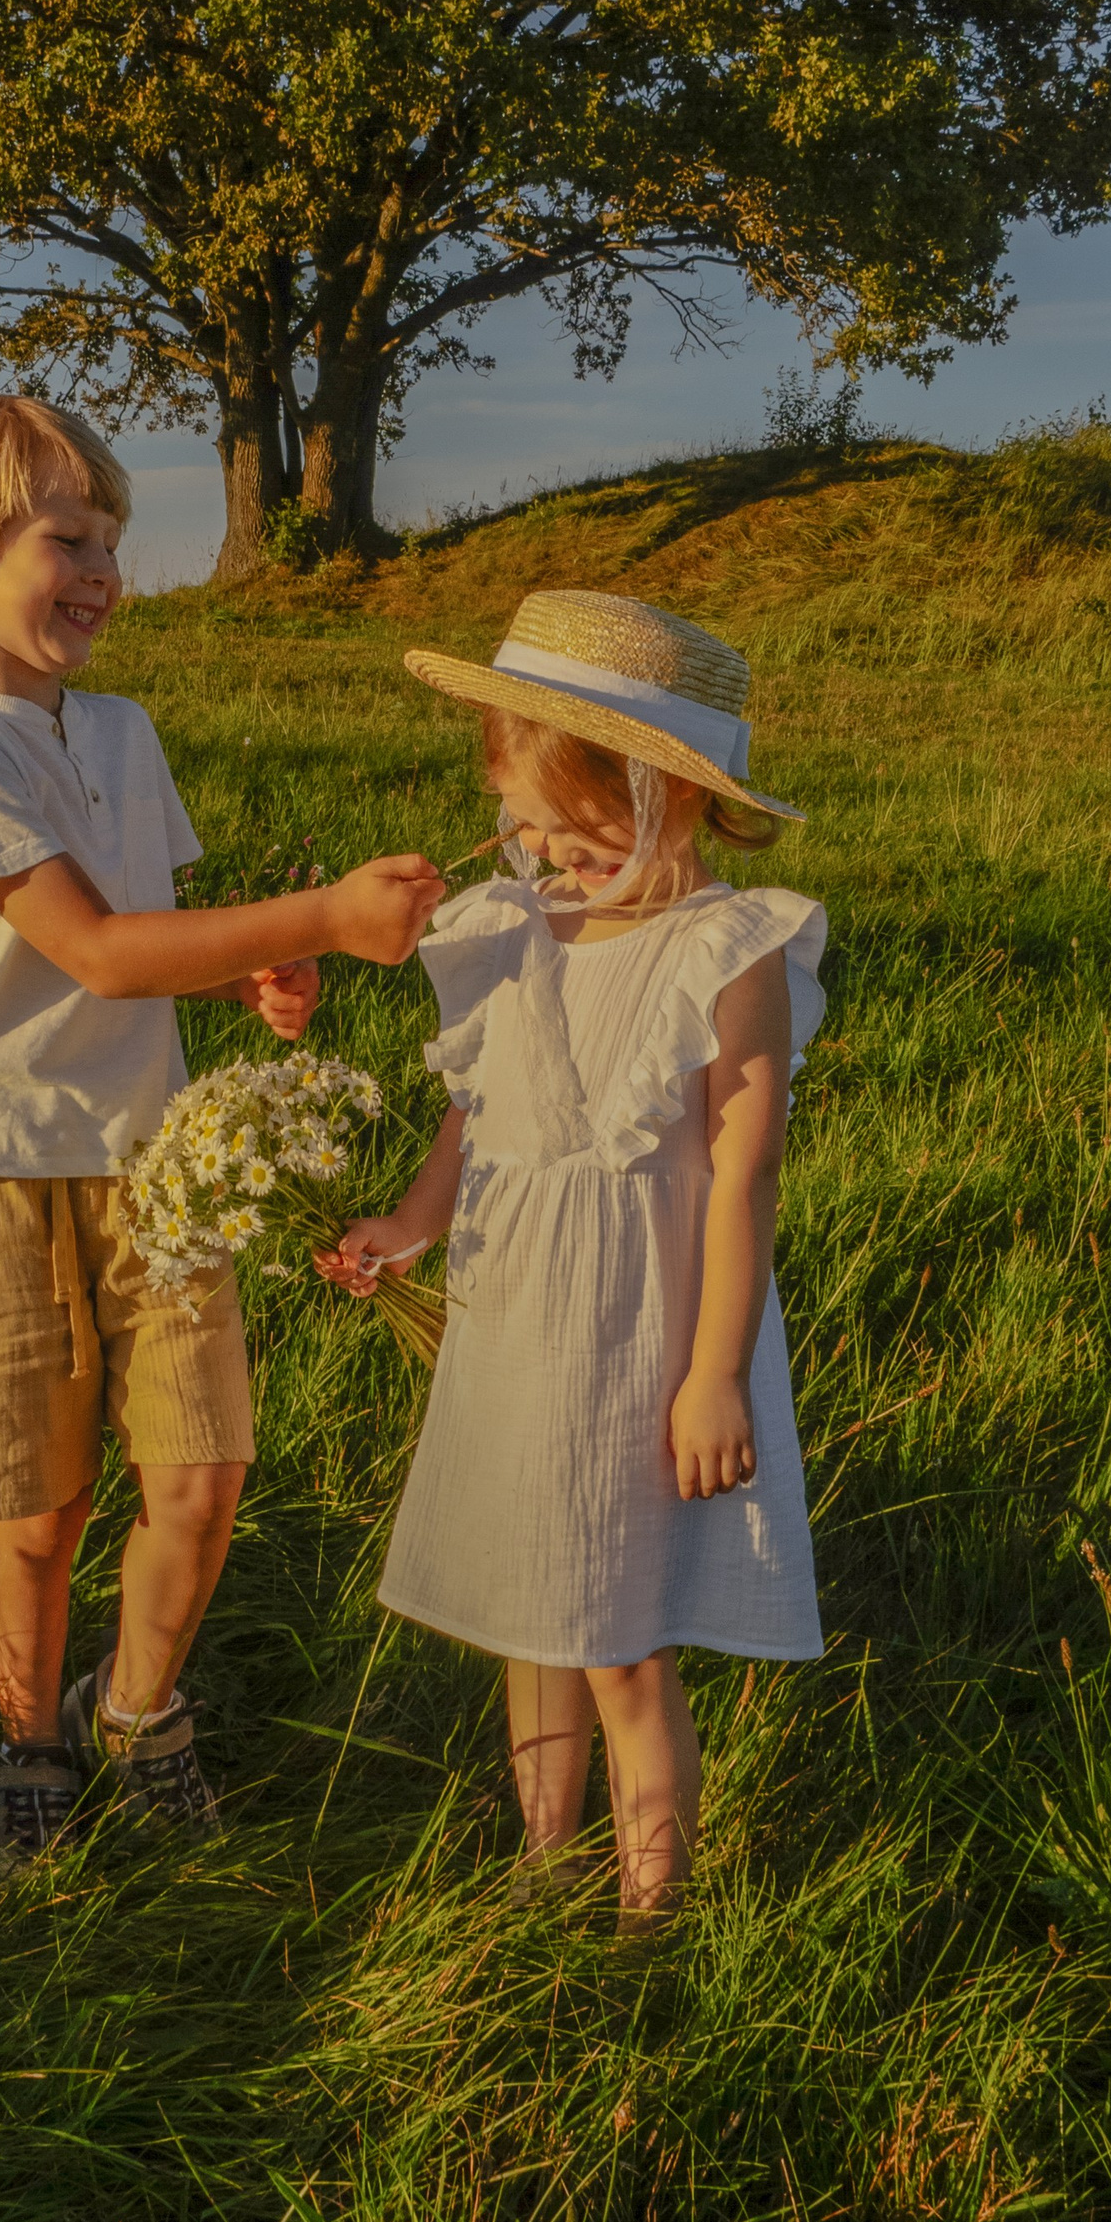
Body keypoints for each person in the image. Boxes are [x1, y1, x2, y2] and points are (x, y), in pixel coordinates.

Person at [0, 393, 443, 1871]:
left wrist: (266, 966)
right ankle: (29, 1746)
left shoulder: (122, 730)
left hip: (160, 1162)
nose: (103, 574)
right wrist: (324, 911)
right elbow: (102, 950)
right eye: (68, 538)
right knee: (42, 1504)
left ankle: (137, 1712)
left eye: (113, 544)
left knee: (199, 1467)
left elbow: (169, 934)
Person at [320, 588, 826, 1929]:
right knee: (529, 1607)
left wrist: (714, 1372)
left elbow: (743, 1171)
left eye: (576, 820)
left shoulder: (730, 947)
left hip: (639, 1340)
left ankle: (652, 1913)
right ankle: (545, 1862)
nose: (540, 847)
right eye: (523, 819)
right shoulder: (516, 927)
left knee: (617, 1634)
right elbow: (482, 1107)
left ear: (669, 793)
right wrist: (413, 1223)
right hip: (516, 1314)